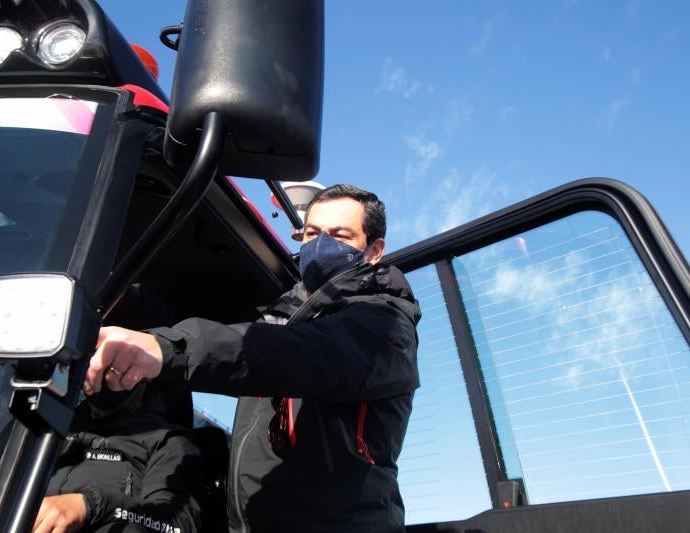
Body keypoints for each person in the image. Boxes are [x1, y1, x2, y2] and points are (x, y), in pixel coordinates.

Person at [86, 184, 421, 532]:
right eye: (311, 233)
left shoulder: (386, 324)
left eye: (340, 235)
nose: (320, 244)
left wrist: (169, 348)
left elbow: (295, 352)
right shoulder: (283, 314)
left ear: (375, 251)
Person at [34, 381, 202, 533]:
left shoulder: (169, 442)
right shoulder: (52, 422)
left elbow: (178, 524)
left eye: (113, 363)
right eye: (93, 356)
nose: (99, 367)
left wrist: (90, 505)